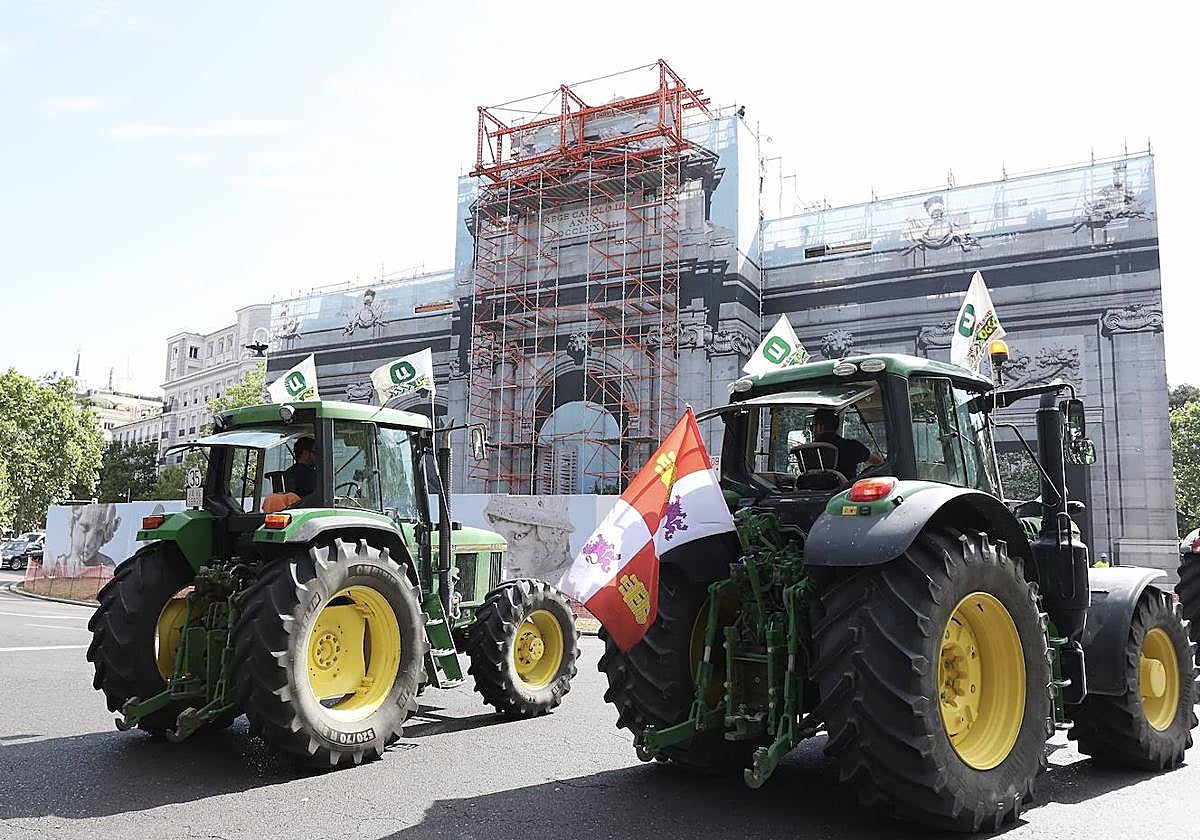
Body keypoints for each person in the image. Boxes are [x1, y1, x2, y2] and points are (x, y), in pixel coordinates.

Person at [812, 409, 878, 478]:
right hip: (846, 488)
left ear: (819, 427)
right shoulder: (852, 446)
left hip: (812, 488)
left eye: (813, 426)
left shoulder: (808, 451)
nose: (813, 430)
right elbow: (877, 462)